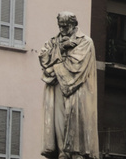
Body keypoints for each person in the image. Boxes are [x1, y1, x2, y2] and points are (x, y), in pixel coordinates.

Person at [40, 12, 98, 159]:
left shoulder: (85, 42)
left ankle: (75, 153)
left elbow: (76, 66)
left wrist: (53, 70)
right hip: (58, 87)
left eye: (65, 26)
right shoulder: (54, 42)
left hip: (77, 90)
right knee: (59, 120)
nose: (62, 30)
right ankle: (62, 153)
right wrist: (60, 48)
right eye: (60, 26)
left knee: (75, 121)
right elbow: (43, 57)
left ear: (74, 25)